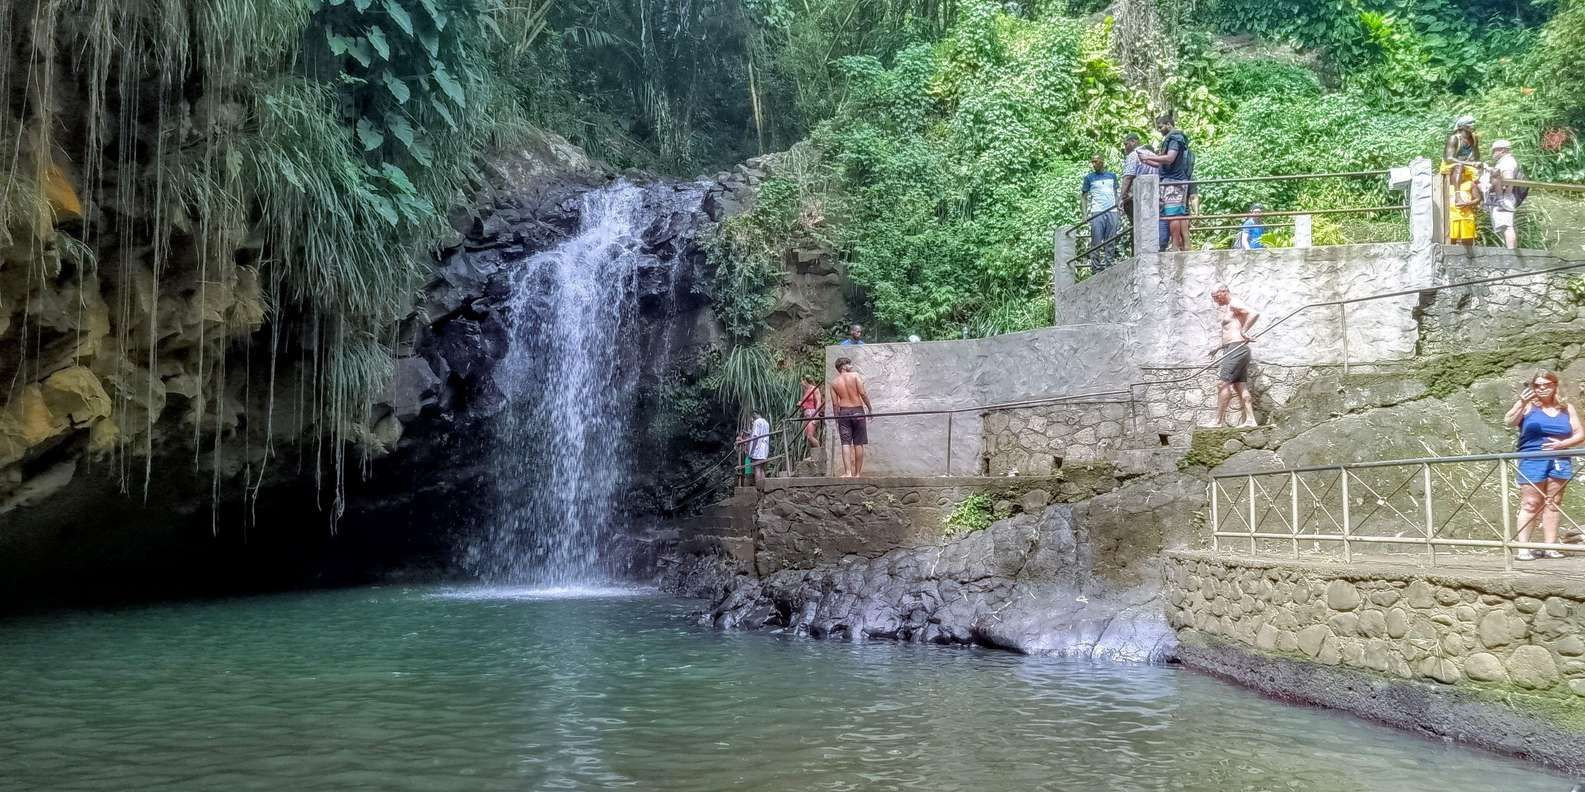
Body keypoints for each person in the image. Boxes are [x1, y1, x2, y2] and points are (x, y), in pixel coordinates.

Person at [1505, 371, 1583, 560]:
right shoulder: (1528, 405)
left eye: (1546, 384)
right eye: (1537, 385)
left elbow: (1580, 434)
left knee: (1553, 503)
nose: (1542, 388)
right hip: (1532, 459)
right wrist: (1521, 403)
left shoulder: (1566, 408)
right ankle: (1523, 548)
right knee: (1531, 503)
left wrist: (1562, 445)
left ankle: (1550, 547)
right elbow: (1509, 421)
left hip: (1560, 459)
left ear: (1555, 385)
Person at [1207, 285, 1259, 428]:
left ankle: (1218, 421)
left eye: (1216, 297)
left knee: (1222, 384)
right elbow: (1230, 331)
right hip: (1235, 348)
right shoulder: (1230, 307)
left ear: (1224, 292)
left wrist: (1244, 331)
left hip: (1236, 348)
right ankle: (1250, 420)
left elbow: (1254, 313)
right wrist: (1218, 348)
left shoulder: (1234, 303)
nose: (1216, 301)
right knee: (1239, 385)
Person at [1139, 115, 1191, 251]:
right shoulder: (1175, 139)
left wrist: (1149, 156)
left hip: (1173, 182)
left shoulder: (1174, 139)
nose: (1160, 130)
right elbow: (1162, 165)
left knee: (1172, 215)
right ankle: (1183, 245)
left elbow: (1169, 159)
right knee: (1178, 213)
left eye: (1161, 127)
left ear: (1169, 124)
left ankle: (1175, 245)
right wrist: (1146, 160)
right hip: (1174, 180)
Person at [830, 356, 872, 478]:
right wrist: (870, 408)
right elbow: (863, 393)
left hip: (843, 413)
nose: (851, 365)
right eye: (849, 363)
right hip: (858, 411)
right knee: (858, 443)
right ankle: (857, 474)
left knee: (845, 443)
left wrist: (836, 418)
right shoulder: (855, 376)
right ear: (843, 366)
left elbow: (835, 403)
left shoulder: (834, 382)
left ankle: (848, 472)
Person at [1081, 155, 1121, 270]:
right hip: (1097, 211)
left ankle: (1109, 264)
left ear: (1102, 162)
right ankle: (1096, 267)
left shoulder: (1112, 176)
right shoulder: (1089, 178)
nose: (1093, 164)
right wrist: (1084, 214)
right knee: (1096, 240)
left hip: (1112, 211)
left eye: (1096, 161)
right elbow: (1083, 197)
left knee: (1111, 239)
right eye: (1092, 162)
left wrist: (1118, 208)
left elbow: (1115, 193)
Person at [1485, 139, 1521, 250]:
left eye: (1495, 150)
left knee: (1507, 227)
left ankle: (1511, 253)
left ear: (1503, 150)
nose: (1493, 153)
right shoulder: (1504, 162)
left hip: (1504, 198)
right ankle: (1511, 251)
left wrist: (1498, 190)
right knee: (1505, 226)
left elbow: (1508, 180)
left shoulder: (1507, 162)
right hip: (1503, 197)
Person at [1120, 133, 1156, 226]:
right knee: (1149, 225)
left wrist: (1122, 197)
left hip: (1138, 196)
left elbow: (1128, 177)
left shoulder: (1134, 155)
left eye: (1126, 144)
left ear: (1133, 142)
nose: (1125, 147)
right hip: (1152, 195)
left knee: (1138, 225)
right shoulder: (1153, 155)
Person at [1443, 115, 1480, 194]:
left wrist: (1476, 162)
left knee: (1491, 170)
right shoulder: (1454, 138)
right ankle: (1457, 195)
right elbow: (1449, 158)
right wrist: (1471, 163)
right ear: (1463, 126)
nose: (1473, 125)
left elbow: (1476, 157)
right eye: (1470, 123)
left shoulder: (1474, 138)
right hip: (1451, 166)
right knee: (1459, 166)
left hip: (1467, 165)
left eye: (1474, 123)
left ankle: (1489, 197)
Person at [1449, 164, 1480, 249]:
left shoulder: (1470, 184)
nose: (1460, 175)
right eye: (1456, 173)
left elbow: (1478, 199)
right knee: (1451, 241)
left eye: (1462, 172)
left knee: (1467, 242)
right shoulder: (1445, 185)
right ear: (1451, 174)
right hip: (1451, 217)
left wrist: (1467, 203)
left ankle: (1469, 260)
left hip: (1466, 217)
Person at [798, 377, 823, 450]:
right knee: (808, 437)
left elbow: (818, 401)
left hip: (812, 413)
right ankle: (814, 454)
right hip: (806, 414)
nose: (801, 383)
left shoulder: (814, 389)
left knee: (810, 436)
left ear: (805, 381)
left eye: (802, 381)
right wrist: (801, 404)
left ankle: (819, 452)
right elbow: (806, 403)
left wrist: (817, 413)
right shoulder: (806, 391)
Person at [748, 411, 771, 484]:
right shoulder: (766, 423)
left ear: (756, 414)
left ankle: (758, 487)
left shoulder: (757, 422)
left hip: (757, 448)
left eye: (754, 414)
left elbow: (755, 436)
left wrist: (751, 450)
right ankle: (763, 487)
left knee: (757, 468)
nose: (753, 416)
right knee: (762, 469)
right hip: (765, 449)